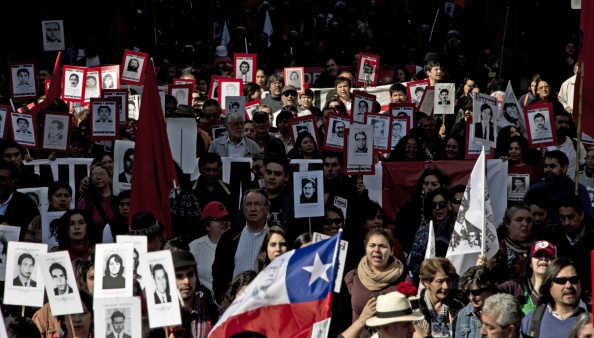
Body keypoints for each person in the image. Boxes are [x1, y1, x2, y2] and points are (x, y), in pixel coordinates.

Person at [344, 228, 405, 336]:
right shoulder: (352, 278)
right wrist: (363, 318)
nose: (376, 249)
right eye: (372, 245)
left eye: (383, 246)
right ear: (365, 248)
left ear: (391, 250)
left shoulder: (404, 280)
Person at [212, 189, 270, 302]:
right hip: (235, 303)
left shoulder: (275, 237)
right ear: (243, 209)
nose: (252, 209)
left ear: (267, 208)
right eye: (248, 204)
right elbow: (218, 274)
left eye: (257, 204)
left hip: (267, 302)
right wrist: (225, 301)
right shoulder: (229, 238)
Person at [540, 194, 594, 295]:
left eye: (571, 217)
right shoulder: (551, 236)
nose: (566, 223)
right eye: (562, 218)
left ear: (581, 215)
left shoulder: (591, 236)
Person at [519, 258, 587, 338]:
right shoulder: (530, 322)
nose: (568, 286)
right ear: (548, 286)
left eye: (574, 280)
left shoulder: (590, 318)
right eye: (561, 281)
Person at [524, 150, 592, 216]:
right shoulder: (535, 189)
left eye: (552, 166)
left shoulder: (579, 190)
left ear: (564, 168)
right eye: (545, 166)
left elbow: (587, 219)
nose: (548, 169)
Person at [415, 258, 464, 338]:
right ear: (426, 282)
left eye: (448, 280)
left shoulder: (458, 306)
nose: (446, 286)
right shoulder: (413, 307)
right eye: (440, 281)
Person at [188, 201, 231, 293]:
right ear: (207, 225)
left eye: (226, 218)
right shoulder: (194, 247)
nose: (224, 222)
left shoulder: (236, 243)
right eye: (218, 219)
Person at [455, 265, 498, 338]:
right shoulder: (463, 315)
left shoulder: (505, 312)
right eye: (467, 293)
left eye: (476, 292)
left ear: (489, 289)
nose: (471, 297)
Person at [78, 163, 115, 234]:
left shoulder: (118, 197)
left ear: (110, 177)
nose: (98, 177)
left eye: (102, 174)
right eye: (94, 175)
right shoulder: (86, 201)